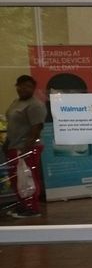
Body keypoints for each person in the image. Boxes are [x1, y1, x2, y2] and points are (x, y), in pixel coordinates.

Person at [4, 75, 46, 218]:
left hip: (26, 148)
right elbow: (13, 125)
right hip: (14, 146)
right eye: (21, 86)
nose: (24, 89)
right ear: (17, 87)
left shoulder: (35, 105)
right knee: (17, 179)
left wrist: (26, 149)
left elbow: (36, 128)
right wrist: (7, 143)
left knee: (27, 178)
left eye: (28, 86)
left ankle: (32, 208)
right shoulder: (16, 102)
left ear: (33, 88)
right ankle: (23, 205)